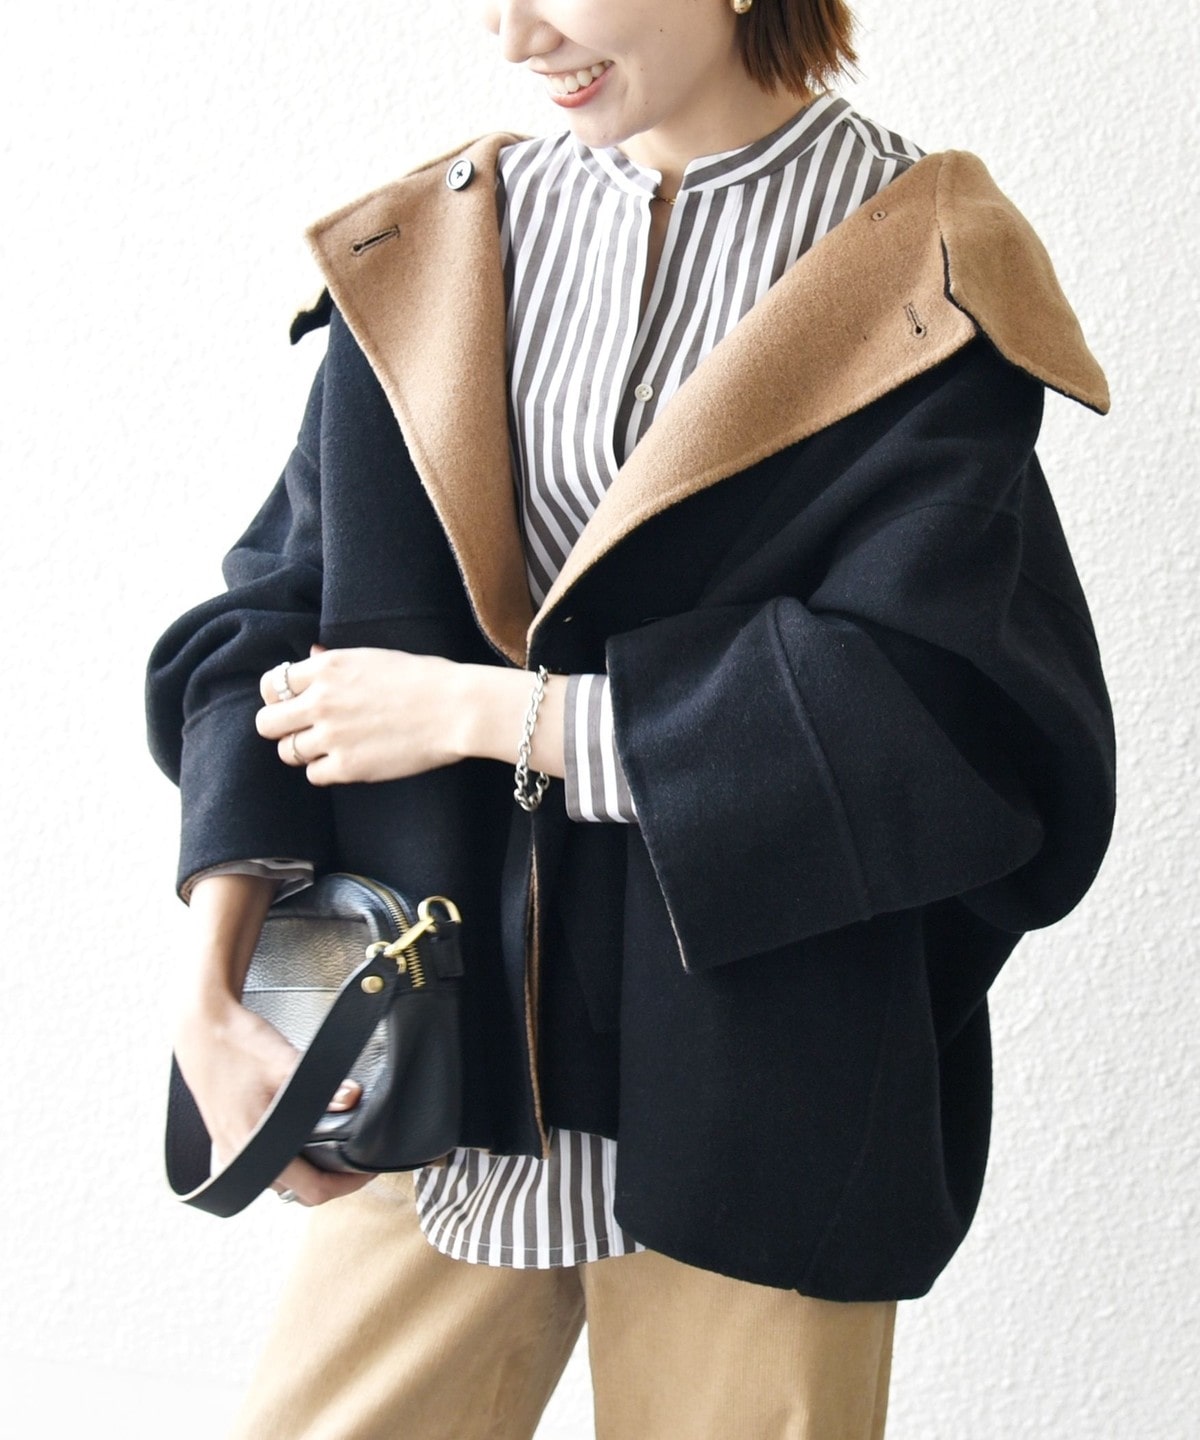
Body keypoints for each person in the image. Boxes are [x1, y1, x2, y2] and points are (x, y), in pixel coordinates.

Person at [146, 1, 1116, 1435]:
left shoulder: (920, 272)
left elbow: (943, 721)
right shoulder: (437, 246)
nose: (517, 36)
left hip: (763, 1100)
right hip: (436, 1078)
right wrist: (210, 992)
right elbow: (271, 635)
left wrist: (494, 715)